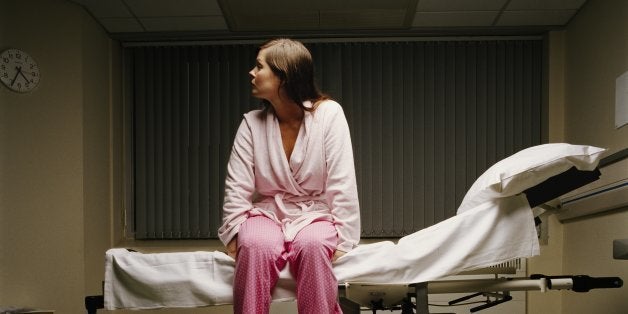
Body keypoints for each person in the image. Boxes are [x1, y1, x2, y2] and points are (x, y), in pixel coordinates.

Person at [218, 38, 361, 314]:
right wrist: (235, 235)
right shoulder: (251, 124)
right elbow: (237, 187)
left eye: (259, 66)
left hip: (314, 215)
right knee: (254, 243)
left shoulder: (329, 115)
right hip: (266, 215)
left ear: (284, 76)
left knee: (314, 243)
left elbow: (342, 182)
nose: (252, 72)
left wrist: (344, 242)